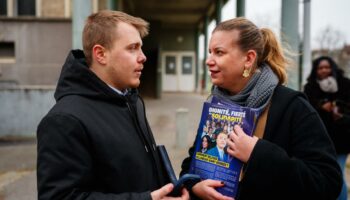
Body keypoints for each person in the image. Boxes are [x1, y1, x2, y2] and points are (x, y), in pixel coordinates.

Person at [180, 17, 342, 200]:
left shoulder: (292, 106)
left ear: (249, 59)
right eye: (210, 52)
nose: (209, 61)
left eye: (219, 52)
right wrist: (195, 186)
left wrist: (257, 154)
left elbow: (328, 182)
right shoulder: (216, 104)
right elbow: (191, 165)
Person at [36, 10, 189, 200]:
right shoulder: (64, 121)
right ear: (101, 54)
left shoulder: (131, 101)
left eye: (140, 48)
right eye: (132, 48)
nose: (143, 57)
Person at [304, 56, 350, 200]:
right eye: (320, 67)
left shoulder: (345, 84)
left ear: (333, 68)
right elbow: (306, 111)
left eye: (327, 67)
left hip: (342, 139)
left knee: (337, 173)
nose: (324, 70)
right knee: (324, 174)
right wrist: (320, 106)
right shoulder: (310, 88)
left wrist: (340, 111)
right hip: (320, 140)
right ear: (315, 70)